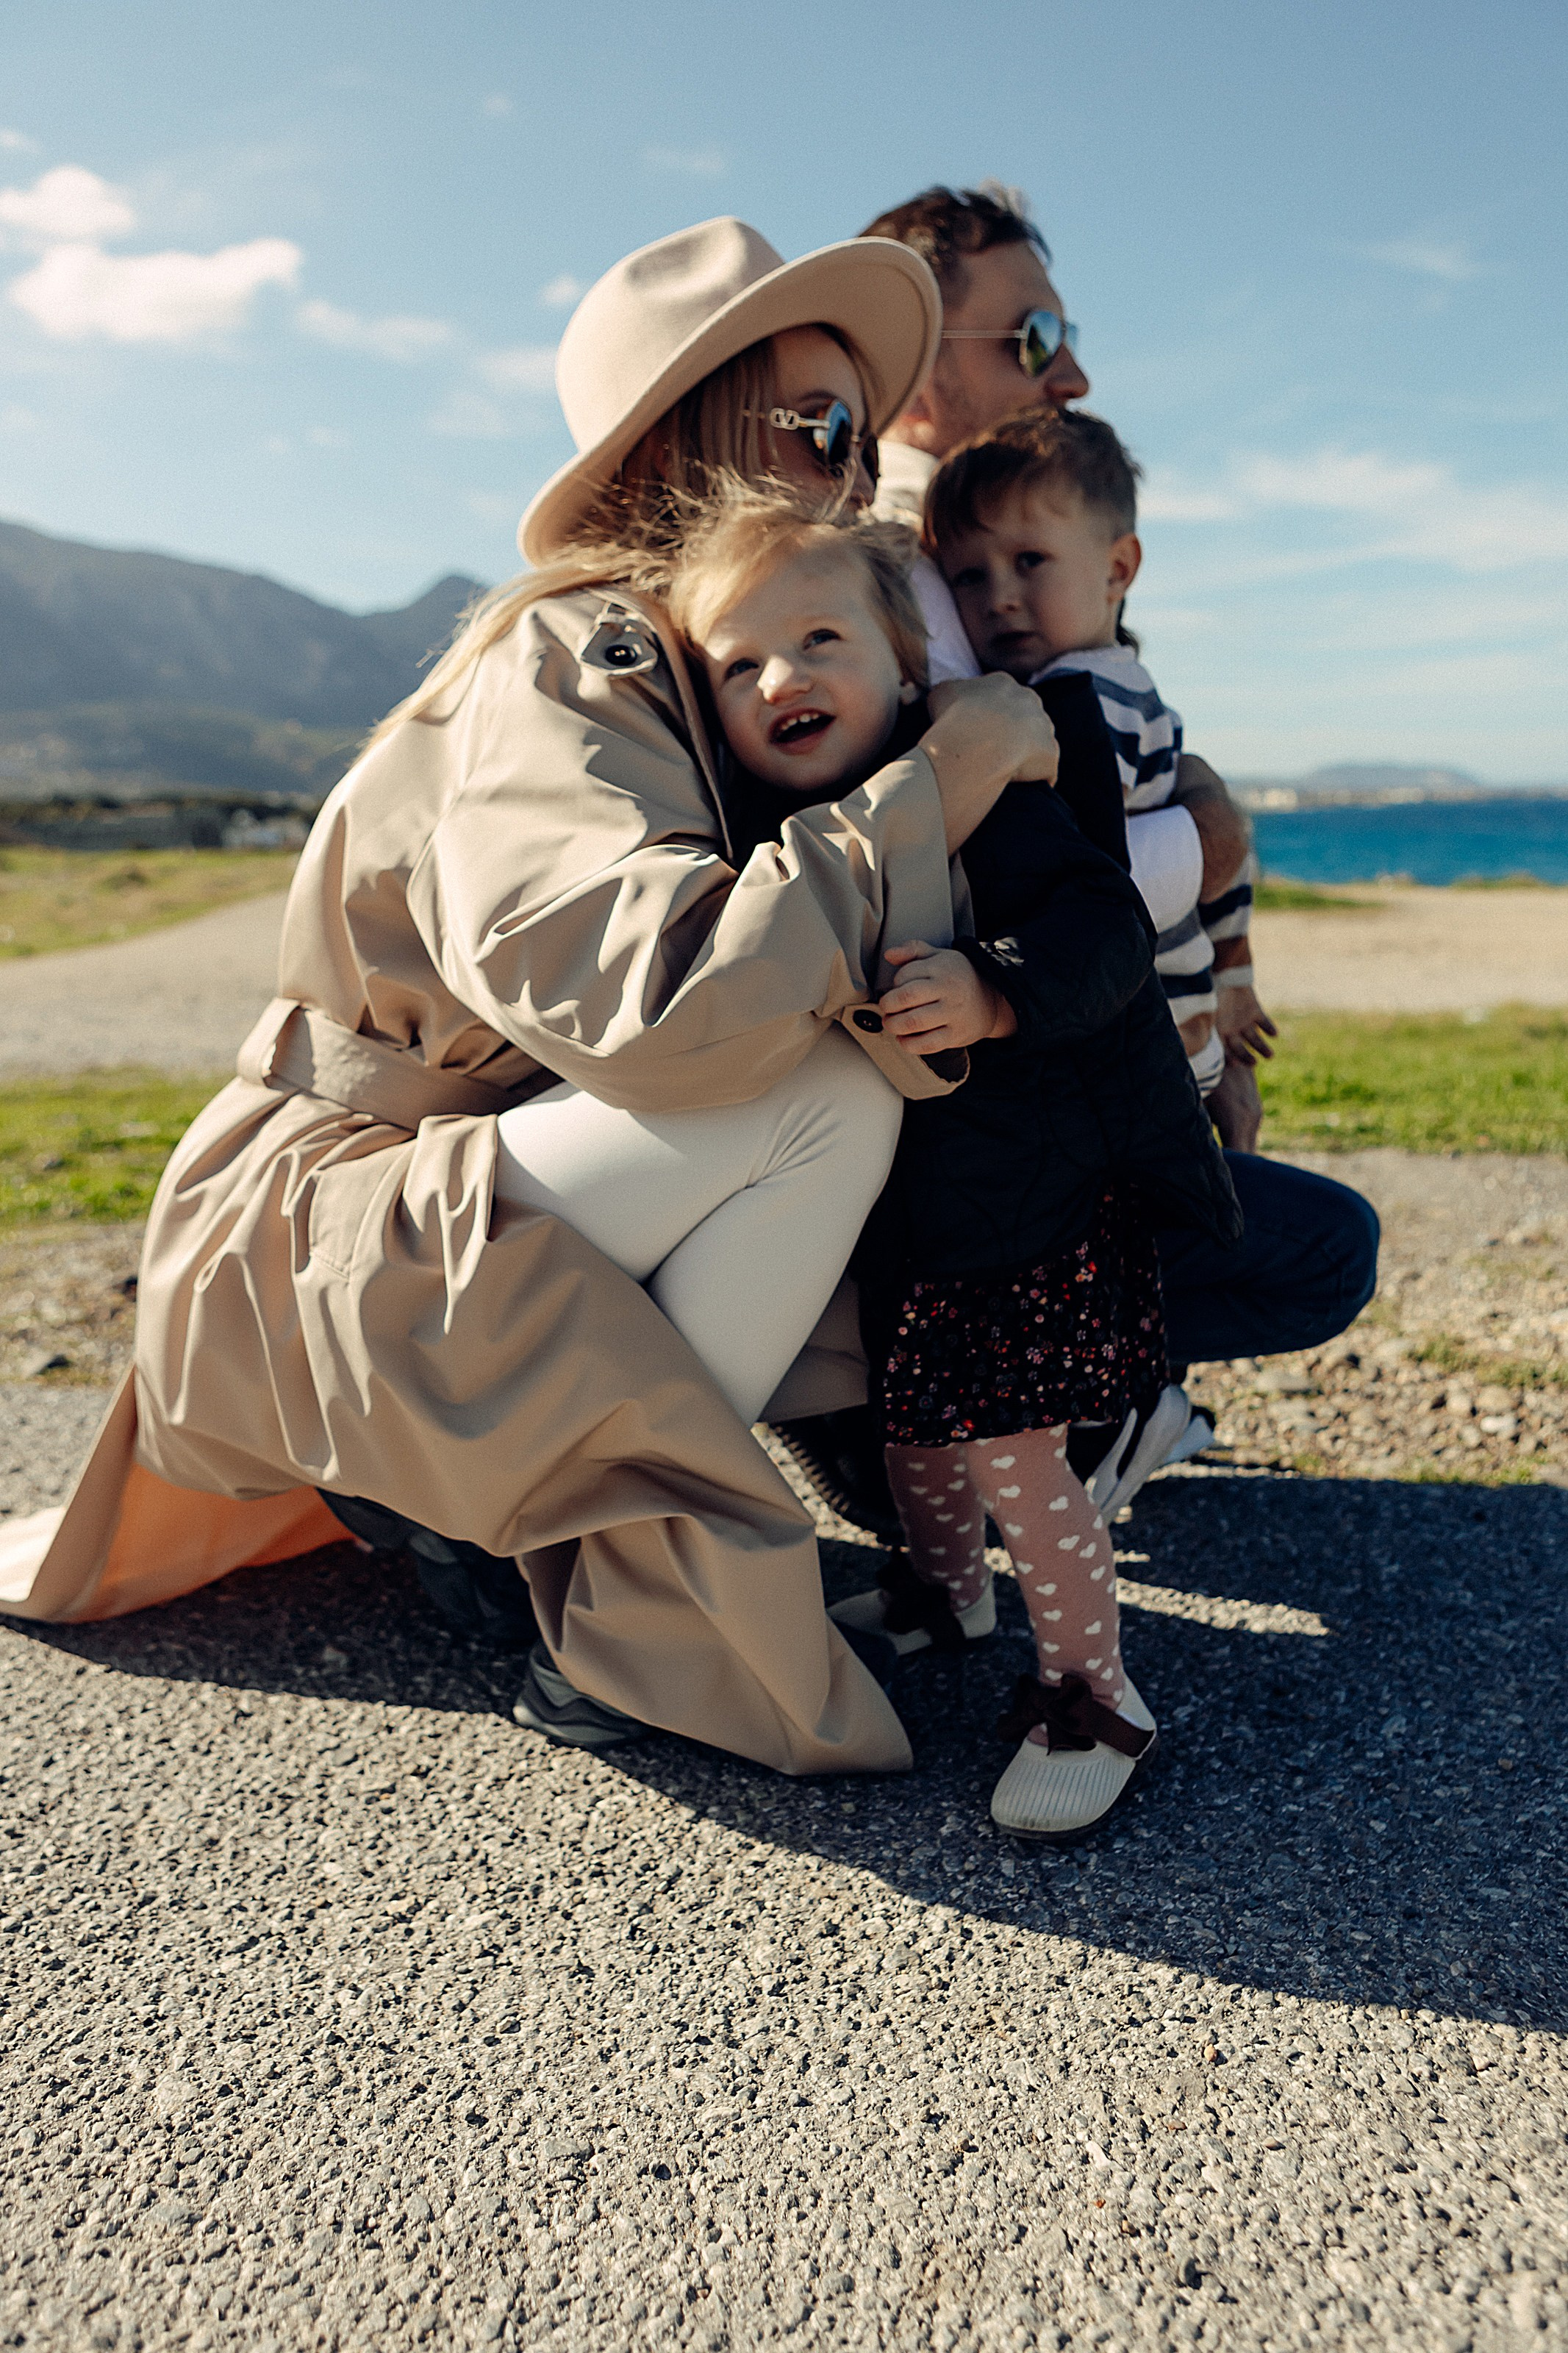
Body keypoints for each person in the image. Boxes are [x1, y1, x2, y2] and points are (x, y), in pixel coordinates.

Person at [0, 216, 1060, 1783]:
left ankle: (554, 1536)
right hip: (326, 1227)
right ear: (703, 435)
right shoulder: (578, 649)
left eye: (856, 436)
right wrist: (929, 786)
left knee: (850, 1084)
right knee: (819, 1091)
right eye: (820, 429)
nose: (855, 474)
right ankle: (590, 1573)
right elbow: (663, 1007)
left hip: (426, 1210)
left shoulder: (720, 662)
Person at [767, 186, 1378, 1528]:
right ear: (921, 358)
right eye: (1035, 335)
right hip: (981, 1114)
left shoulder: (954, 566)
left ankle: (1039, 1422)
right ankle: (1019, 1424)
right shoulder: (889, 583)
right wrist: (1199, 839)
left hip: (1018, 1063)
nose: (1076, 371)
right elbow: (989, 872)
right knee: (1325, 1252)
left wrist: (1211, 972)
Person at [666, 486, 1240, 1836]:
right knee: (910, 1425)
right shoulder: (778, 843)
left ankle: (1092, 1690)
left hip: (1028, 1205)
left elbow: (1102, 926)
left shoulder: (987, 795)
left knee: (1009, 1458)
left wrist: (993, 989)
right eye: (737, 665)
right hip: (912, 1214)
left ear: (901, 662)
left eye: (818, 640)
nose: (780, 678)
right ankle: (942, 1593)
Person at [927, 406, 1272, 1102]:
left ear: (1117, 569)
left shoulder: (1071, 707)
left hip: (1130, 1051)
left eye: (1030, 561)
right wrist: (1235, 980)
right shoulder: (1139, 692)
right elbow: (1227, 862)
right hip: (1182, 1033)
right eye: (967, 576)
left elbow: (1067, 876)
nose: (999, 598)